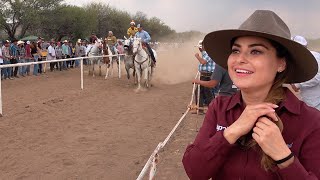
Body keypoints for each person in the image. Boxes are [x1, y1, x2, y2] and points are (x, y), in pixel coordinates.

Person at [182, 10, 320, 179]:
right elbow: (195, 172)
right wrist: (232, 132)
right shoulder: (219, 108)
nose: (240, 59)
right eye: (235, 50)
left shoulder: (310, 121)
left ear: (281, 63)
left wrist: (284, 157)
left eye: (256, 51)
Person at [290, 35, 320, 110]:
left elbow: (316, 77)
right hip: (309, 97)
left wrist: (298, 85)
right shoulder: (304, 57)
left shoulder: (313, 57)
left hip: (314, 99)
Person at [194, 40, 216, 112]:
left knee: (205, 92)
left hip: (207, 75)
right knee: (203, 91)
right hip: (205, 75)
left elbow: (203, 62)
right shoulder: (207, 53)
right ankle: (201, 109)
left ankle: (212, 109)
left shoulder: (208, 53)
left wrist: (197, 56)